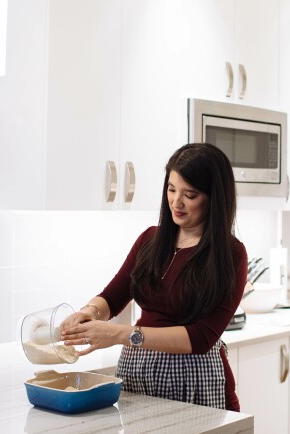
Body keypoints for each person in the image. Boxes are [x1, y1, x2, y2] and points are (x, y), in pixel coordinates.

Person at [60, 142, 248, 411]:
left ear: (213, 198)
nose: (176, 202)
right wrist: (89, 312)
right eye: (171, 190)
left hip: (195, 379)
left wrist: (121, 335)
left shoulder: (231, 254)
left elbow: (201, 338)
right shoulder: (150, 239)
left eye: (190, 195)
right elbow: (112, 297)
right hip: (137, 372)